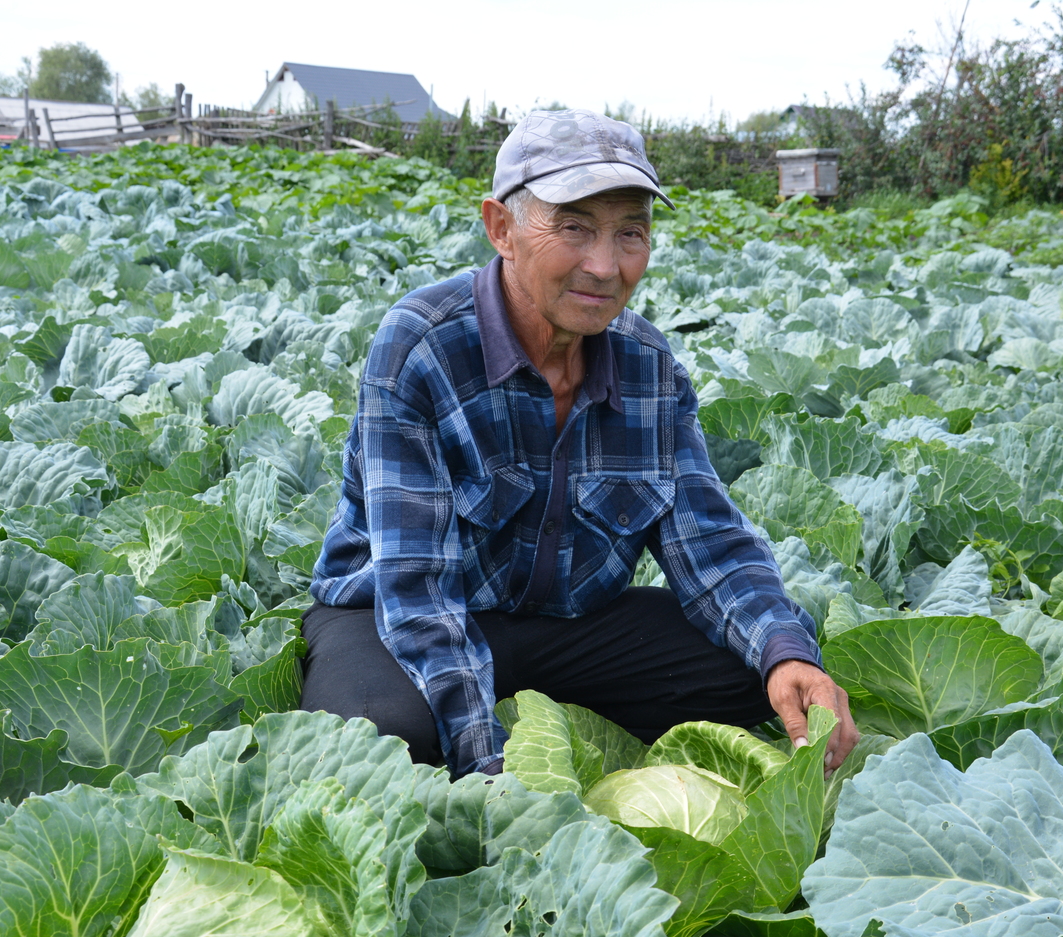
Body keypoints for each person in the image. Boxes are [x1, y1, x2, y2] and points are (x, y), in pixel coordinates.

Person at [302, 108, 858, 778]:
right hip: (392, 614)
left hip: (563, 626)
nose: (604, 265)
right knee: (379, 735)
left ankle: (534, 711)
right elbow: (417, 590)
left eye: (630, 233)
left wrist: (786, 653)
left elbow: (707, 538)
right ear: (501, 229)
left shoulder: (649, 365)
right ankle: (481, 719)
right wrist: (489, 774)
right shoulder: (422, 346)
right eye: (574, 228)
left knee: (759, 668)